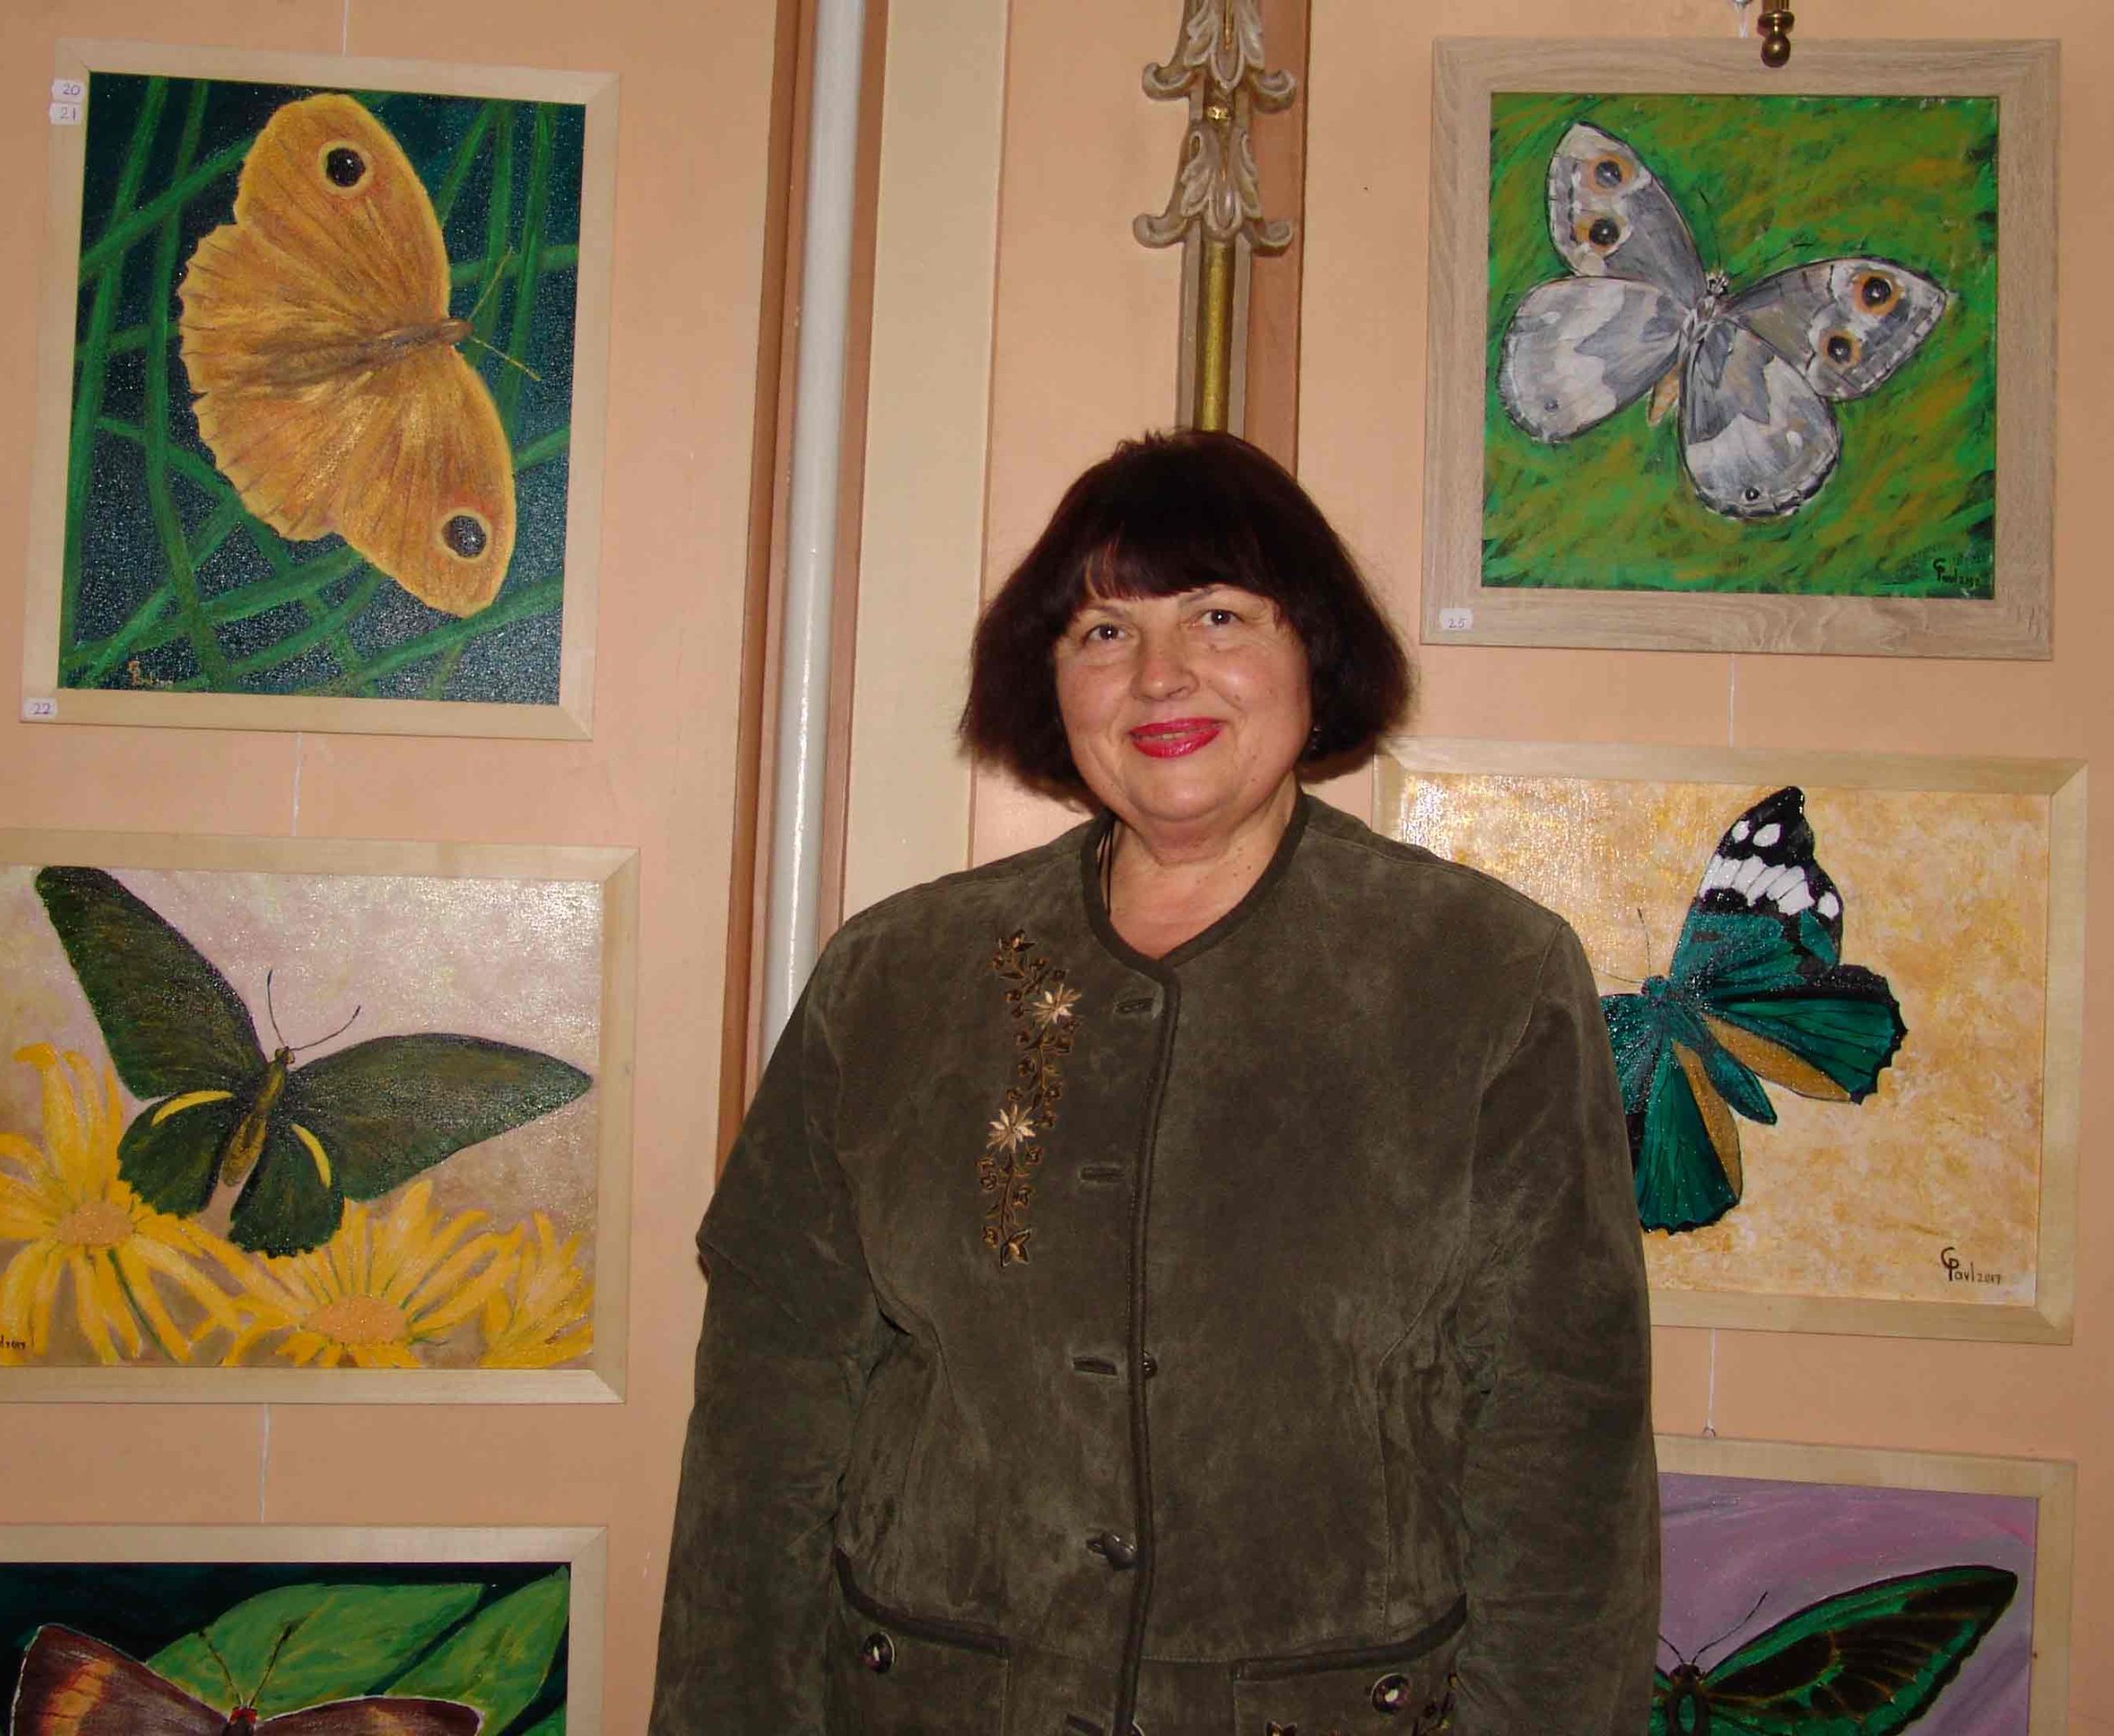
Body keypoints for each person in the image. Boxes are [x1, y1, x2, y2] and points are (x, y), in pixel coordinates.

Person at [652, 430, 1658, 1734]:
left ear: (1314, 651)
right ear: (1050, 683)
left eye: (1218, 615)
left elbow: (1563, 1439)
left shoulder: (1487, 976)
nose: (1160, 673)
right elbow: (767, 1413)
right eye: (1102, 632)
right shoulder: (893, 976)